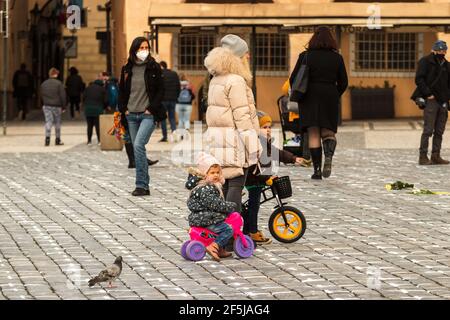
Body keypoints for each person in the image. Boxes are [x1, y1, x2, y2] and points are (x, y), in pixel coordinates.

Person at [204, 34, 262, 213]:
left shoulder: (216, 79)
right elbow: (242, 118)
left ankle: (224, 229)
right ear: (236, 57)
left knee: (226, 186)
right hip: (235, 143)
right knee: (235, 187)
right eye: (245, 54)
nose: (248, 57)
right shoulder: (235, 81)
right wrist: (255, 148)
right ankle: (231, 231)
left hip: (220, 141)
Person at [289, 26, 348, 180]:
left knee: (314, 132)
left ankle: (316, 171)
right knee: (328, 131)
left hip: (309, 97)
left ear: (314, 38)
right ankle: (328, 157)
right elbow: (344, 82)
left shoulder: (305, 56)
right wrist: (335, 94)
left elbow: (293, 78)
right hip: (329, 95)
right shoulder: (337, 57)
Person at [244, 114, 307, 245]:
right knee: (253, 206)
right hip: (254, 180)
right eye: (264, 127)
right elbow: (255, 166)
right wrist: (266, 177)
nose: (268, 129)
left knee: (253, 205)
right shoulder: (256, 143)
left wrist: (293, 158)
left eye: (269, 127)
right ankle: (252, 232)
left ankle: (247, 231)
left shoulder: (264, 142)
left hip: (260, 179)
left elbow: (278, 153)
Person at [118, 36, 165, 196]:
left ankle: (141, 184)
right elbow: (122, 91)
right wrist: (123, 109)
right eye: (141, 48)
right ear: (134, 49)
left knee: (138, 145)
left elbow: (160, 90)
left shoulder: (154, 67)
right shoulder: (126, 69)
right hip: (131, 114)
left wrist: (151, 109)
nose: (144, 50)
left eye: (146, 47)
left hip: (147, 115)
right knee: (138, 149)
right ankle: (143, 187)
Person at [185, 152, 237, 261]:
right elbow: (215, 204)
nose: (216, 175)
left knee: (221, 224)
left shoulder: (204, 186)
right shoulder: (206, 189)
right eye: (212, 172)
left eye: (218, 172)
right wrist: (230, 205)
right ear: (205, 174)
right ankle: (214, 246)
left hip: (203, 218)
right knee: (228, 229)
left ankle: (220, 249)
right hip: (207, 219)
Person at [411, 40, 450, 165]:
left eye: (443, 50)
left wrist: (448, 99)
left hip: (443, 101)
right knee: (428, 130)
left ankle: (435, 156)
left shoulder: (447, 65)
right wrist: (428, 94)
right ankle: (423, 157)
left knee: (439, 131)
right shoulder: (425, 62)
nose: (441, 52)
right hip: (431, 100)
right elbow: (419, 79)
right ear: (433, 50)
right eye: (439, 50)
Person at [40, 68, 67, 146]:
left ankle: (47, 139)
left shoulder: (44, 83)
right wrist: (64, 106)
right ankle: (57, 140)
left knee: (48, 122)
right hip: (57, 106)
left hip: (47, 105)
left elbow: (41, 95)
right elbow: (63, 96)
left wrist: (44, 103)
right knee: (57, 123)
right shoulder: (59, 83)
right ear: (56, 74)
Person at [159, 61, 181, 142]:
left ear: (161, 66)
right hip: (173, 100)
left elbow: (157, 88)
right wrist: (176, 97)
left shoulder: (160, 74)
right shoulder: (174, 74)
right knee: (172, 118)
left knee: (163, 118)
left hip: (163, 100)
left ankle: (165, 136)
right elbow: (178, 87)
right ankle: (174, 134)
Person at [83, 78, 107, 145]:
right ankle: (99, 141)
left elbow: (83, 98)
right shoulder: (102, 89)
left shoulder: (88, 88)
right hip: (98, 109)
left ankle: (89, 141)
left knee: (89, 126)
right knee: (98, 126)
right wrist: (104, 107)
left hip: (88, 109)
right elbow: (105, 100)